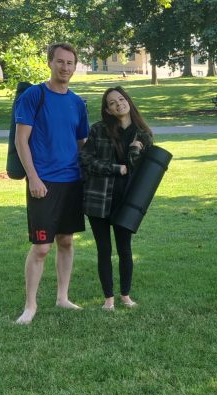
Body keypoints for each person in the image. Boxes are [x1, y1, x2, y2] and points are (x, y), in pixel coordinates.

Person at [14, 43, 89, 324]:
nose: (65, 67)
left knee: (67, 241)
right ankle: (30, 306)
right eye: (60, 61)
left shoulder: (77, 103)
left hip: (72, 181)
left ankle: (62, 297)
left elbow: (82, 144)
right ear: (49, 63)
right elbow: (21, 140)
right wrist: (33, 177)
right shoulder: (35, 95)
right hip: (43, 181)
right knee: (42, 247)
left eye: (70, 63)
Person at [79, 87, 153, 310]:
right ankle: (108, 299)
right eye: (112, 103)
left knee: (125, 249)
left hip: (127, 200)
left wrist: (135, 151)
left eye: (121, 99)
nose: (118, 104)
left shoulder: (144, 134)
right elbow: (85, 160)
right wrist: (114, 168)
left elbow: (141, 170)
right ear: (108, 110)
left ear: (128, 101)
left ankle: (125, 296)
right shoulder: (98, 130)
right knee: (104, 249)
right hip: (99, 198)